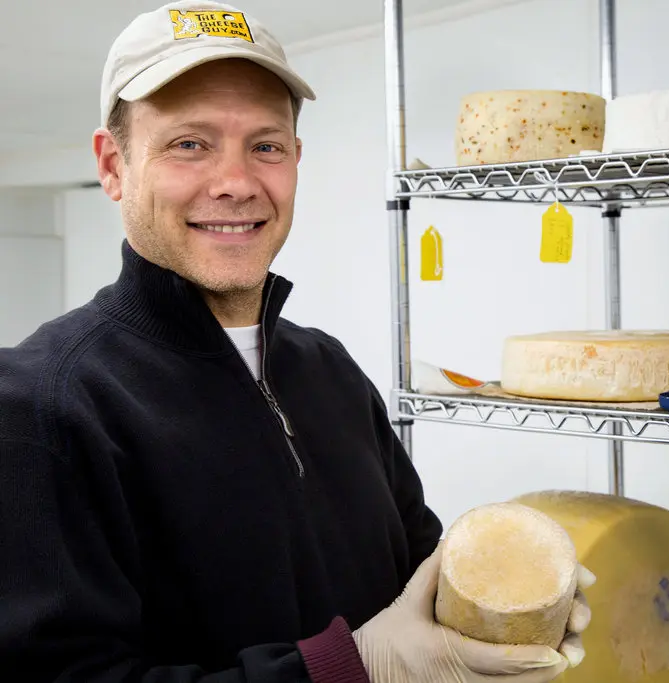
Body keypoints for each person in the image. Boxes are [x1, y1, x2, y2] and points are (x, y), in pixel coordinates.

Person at [0, 2, 592, 682]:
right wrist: (357, 665)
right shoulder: (42, 405)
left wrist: (506, 601)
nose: (237, 182)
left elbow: (422, 579)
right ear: (113, 165)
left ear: (295, 159)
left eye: (265, 145)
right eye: (189, 143)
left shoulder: (331, 371)